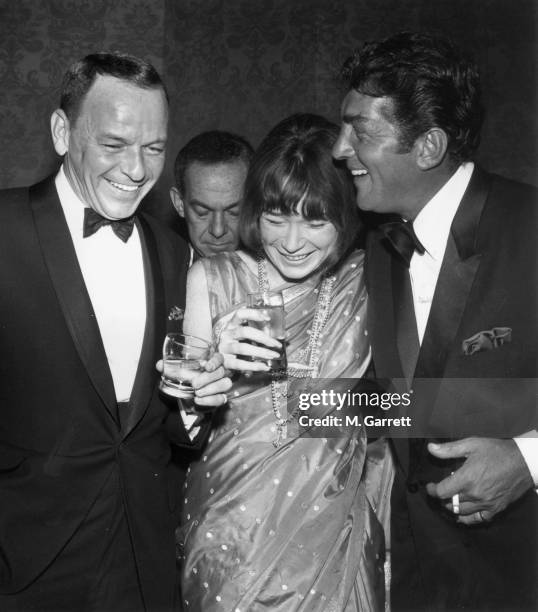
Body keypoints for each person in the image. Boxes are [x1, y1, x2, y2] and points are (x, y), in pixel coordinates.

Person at [0, 52, 230, 611]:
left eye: (154, 148)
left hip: (143, 561)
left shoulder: (174, 252)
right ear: (63, 132)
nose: (136, 169)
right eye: (114, 145)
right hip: (12, 562)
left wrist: (199, 400)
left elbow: (174, 429)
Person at [333, 31, 537, 610]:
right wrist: (279, 403)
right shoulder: (377, 245)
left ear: (428, 147)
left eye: (359, 131)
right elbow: (408, 401)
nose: (339, 148)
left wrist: (528, 458)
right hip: (417, 574)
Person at [178, 113, 391, 611]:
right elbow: (183, 424)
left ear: (346, 215)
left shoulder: (369, 279)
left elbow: (401, 402)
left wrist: (335, 410)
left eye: (316, 221)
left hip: (333, 540)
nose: (293, 242)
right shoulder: (212, 279)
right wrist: (211, 371)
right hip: (231, 540)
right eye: (276, 218)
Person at [170, 130, 253, 260]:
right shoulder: (157, 275)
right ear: (179, 203)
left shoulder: (278, 275)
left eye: (234, 212)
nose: (218, 231)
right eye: (202, 212)